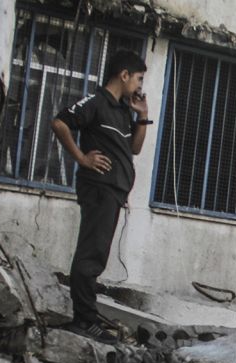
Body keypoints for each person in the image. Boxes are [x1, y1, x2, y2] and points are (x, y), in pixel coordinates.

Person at [50, 50, 150, 337]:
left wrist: (142, 116)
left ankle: (87, 316)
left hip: (114, 192)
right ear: (124, 75)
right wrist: (82, 158)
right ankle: (84, 320)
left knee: (97, 254)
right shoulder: (96, 103)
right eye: (139, 78)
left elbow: (135, 149)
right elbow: (59, 123)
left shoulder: (121, 109)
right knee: (91, 254)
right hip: (98, 189)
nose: (140, 86)